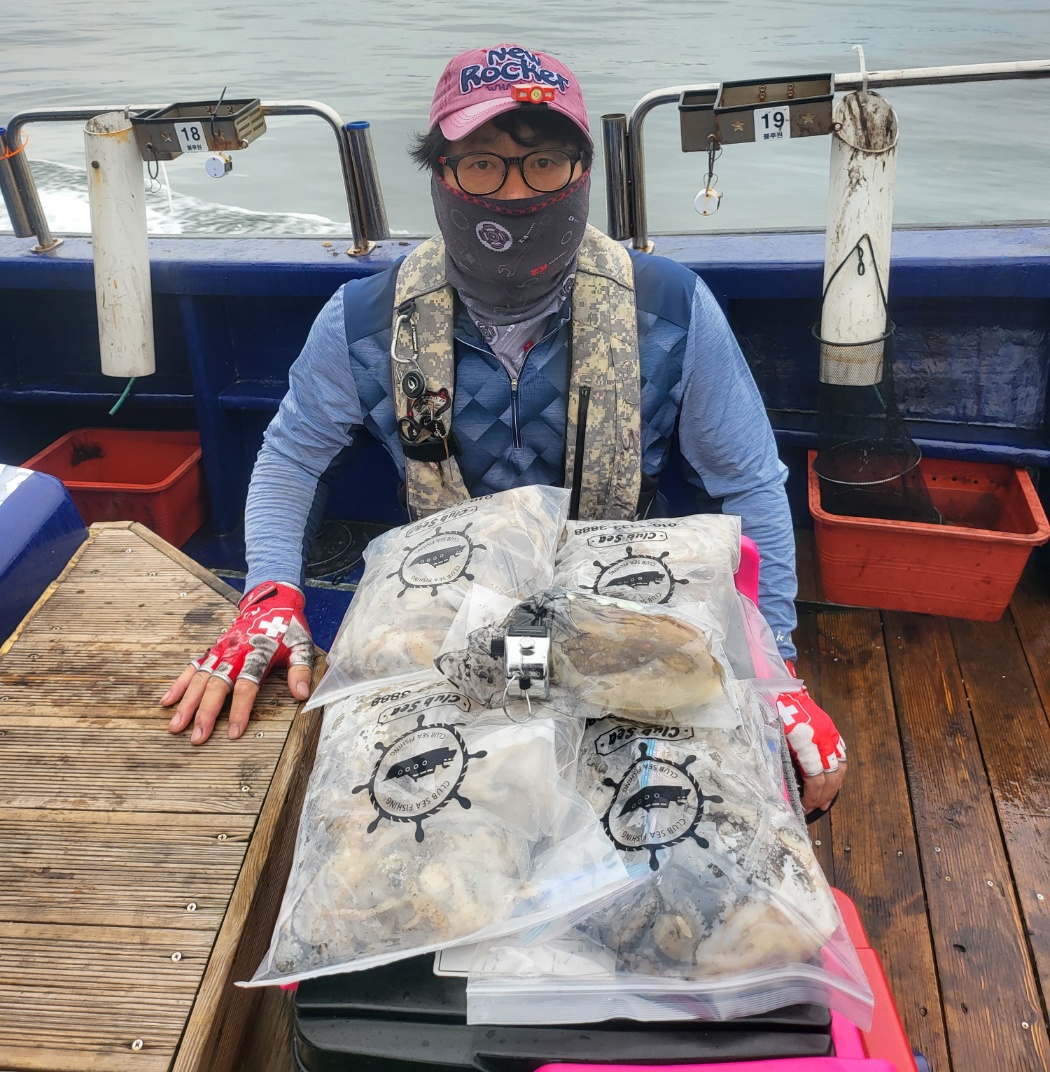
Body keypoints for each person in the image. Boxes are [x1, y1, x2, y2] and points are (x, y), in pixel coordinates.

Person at [164, 44, 846, 815]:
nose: (515, 191)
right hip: (450, 614)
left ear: (582, 173)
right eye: (482, 164)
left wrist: (776, 670)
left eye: (544, 163)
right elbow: (292, 457)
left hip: (623, 609)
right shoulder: (361, 322)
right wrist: (268, 594)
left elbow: (748, 483)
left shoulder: (674, 309)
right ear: (440, 173)